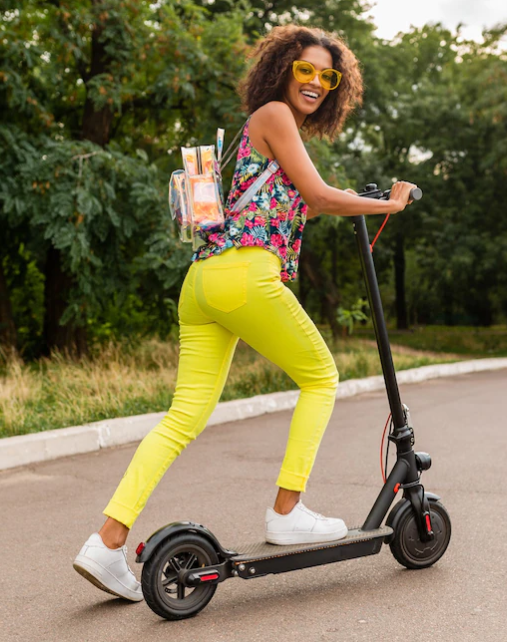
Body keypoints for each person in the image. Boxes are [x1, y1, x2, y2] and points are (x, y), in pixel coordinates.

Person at [73, 24, 416, 602]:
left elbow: (299, 200)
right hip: (244, 276)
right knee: (321, 376)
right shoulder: (275, 114)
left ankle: (106, 544)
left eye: (327, 76)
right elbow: (319, 195)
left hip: (203, 283)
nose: (315, 81)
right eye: (305, 69)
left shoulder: (263, 128)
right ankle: (287, 511)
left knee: (182, 418)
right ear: (283, 69)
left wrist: (356, 201)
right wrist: (392, 204)